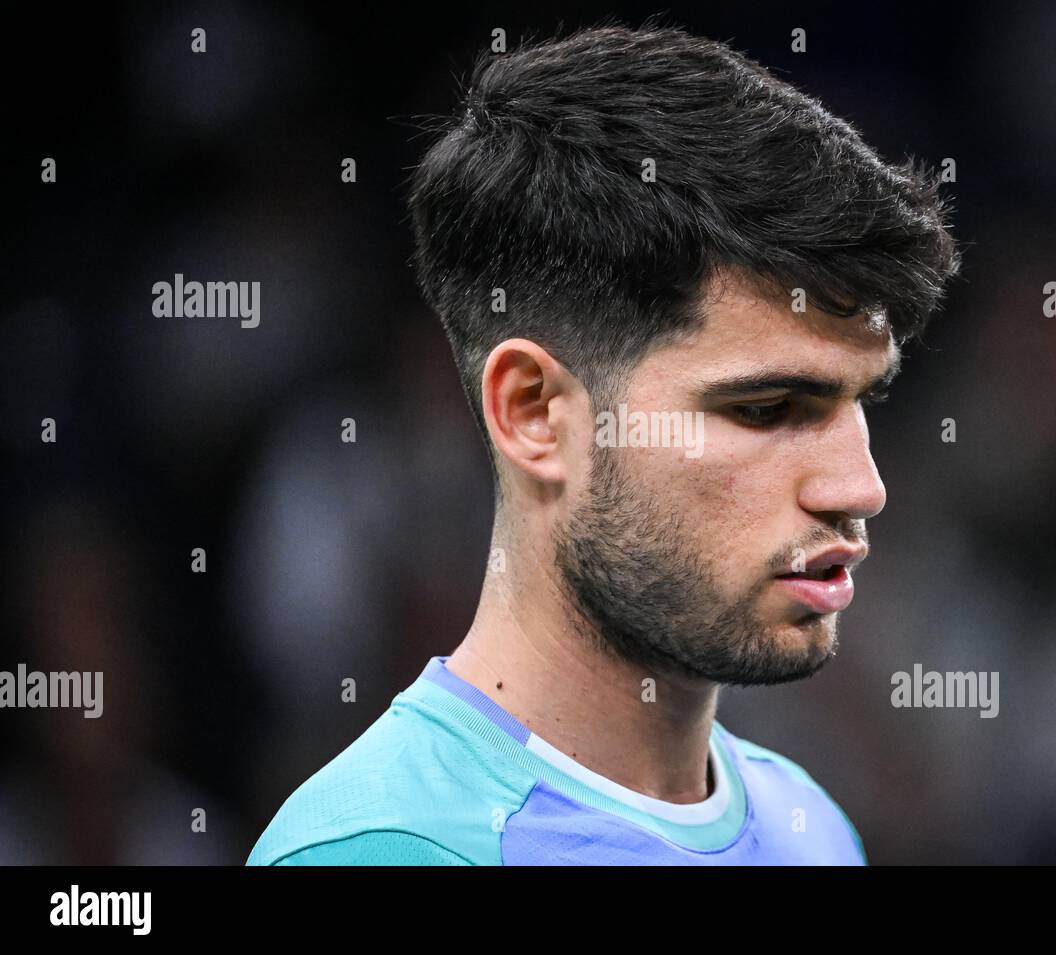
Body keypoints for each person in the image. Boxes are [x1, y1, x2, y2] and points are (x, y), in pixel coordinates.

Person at [249, 21, 958, 866]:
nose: (859, 485)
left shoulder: (813, 825)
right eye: (768, 407)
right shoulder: (381, 851)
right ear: (537, 414)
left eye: (859, 401)